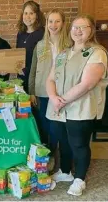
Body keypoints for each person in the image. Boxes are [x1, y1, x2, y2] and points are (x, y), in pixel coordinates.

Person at [46, 14, 108, 196]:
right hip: (58, 108)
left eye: (83, 27)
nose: (78, 30)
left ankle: (79, 179)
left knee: (79, 144)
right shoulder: (63, 53)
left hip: (81, 109)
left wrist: (61, 100)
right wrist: (53, 98)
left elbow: (87, 83)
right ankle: (65, 171)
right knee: (63, 142)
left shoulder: (97, 52)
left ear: (91, 31)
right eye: (75, 27)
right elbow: (50, 79)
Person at [28, 9, 69, 169]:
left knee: (59, 130)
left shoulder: (69, 45)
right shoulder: (40, 45)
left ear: (63, 24)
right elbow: (33, 70)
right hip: (42, 93)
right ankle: (48, 160)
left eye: (57, 21)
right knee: (45, 129)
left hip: (63, 94)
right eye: (50, 21)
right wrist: (31, 92)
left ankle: (63, 161)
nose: (53, 25)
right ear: (46, 24)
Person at [16, 0, 45, 92]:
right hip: (22, 77)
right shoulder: (20, 33)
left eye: (31, 13)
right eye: (25, 13)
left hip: (36, 78)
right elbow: (17, 54)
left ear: (37, 15)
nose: (28, 16)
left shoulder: (42, 33)